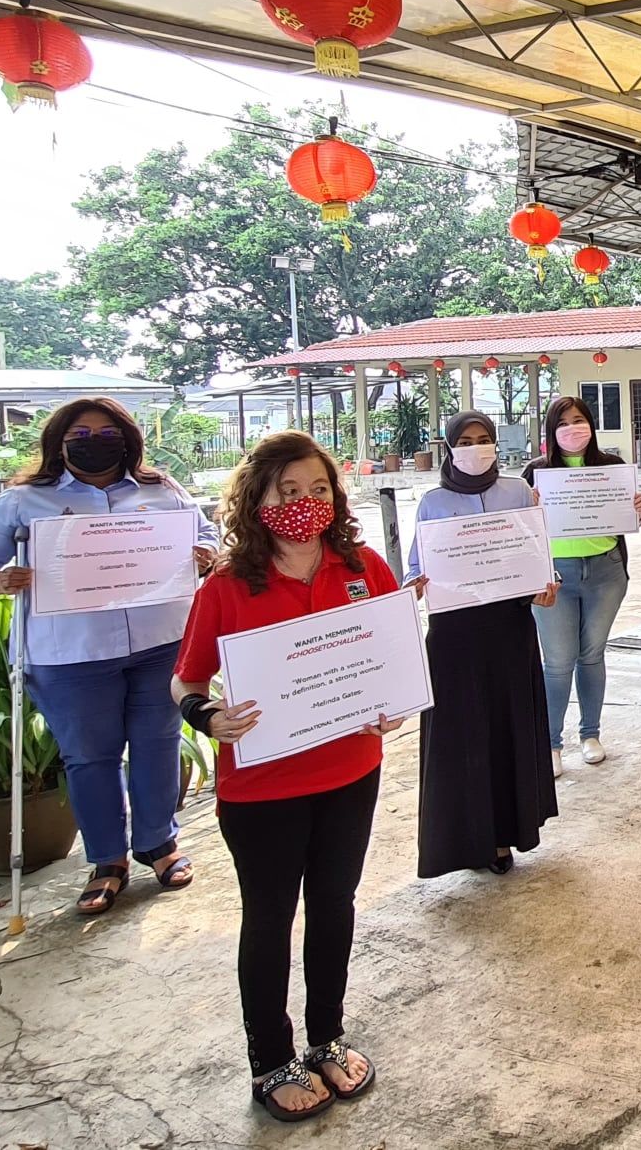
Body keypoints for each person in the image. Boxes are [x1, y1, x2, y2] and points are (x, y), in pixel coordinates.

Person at [172, 431, 403, 1122]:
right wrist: (206, 716)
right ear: (258, 499)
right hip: (261, 786)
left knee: (335, 905)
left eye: (319, 489)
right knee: (270, 919)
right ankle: (271, 1058)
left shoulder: (364, 566)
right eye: (289, 492)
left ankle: (327, 1035)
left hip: (350, 770)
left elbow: (389, 659)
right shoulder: (228, 584)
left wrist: (386, 702)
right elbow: (185, 681)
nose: (306, 503)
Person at [0, 397, 216, 917]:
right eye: (81, 435)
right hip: (72, 653)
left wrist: (206, 555)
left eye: (106, 432)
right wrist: (1, 582)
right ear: (59, 443)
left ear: (127, 439)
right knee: (90, 757)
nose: (95, 442)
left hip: (160, 642)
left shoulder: (162, 490)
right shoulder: (24, 502)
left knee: (158, 743)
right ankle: (107, 861)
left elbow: (204, 538)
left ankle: (159, 844)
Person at [405, 412, 559, 877]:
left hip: (508, 628)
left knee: (506, 728)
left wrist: (544, 583)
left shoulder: (517, 492)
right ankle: (466, 840)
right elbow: (415, 566)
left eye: (485, 439)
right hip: (454, 634)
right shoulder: (432, 502)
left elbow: (537, 553)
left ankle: (502, 837)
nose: (477, 447)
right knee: (462, 737)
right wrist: (414, 585)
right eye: (467, 440)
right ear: (451, 447)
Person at [524, 394, 641, 773]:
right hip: (555, 578)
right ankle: (551, 744)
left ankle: (590, 734)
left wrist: (637, 512)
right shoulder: (535, 472)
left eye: (579, 421)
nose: (572, 429)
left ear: (591, 426)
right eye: (562, 423)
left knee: (592, 655)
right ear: (550, 431)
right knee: (558, 661)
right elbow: (523, 530)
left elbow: (629, 519)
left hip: (606, 572)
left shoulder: (612, 466)